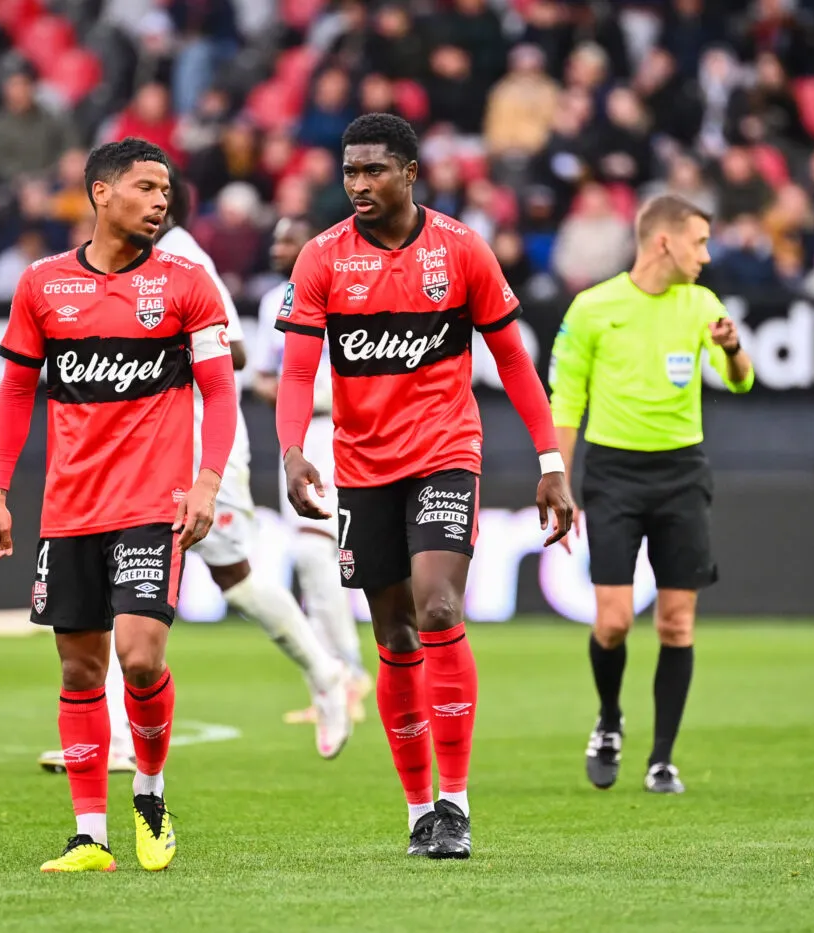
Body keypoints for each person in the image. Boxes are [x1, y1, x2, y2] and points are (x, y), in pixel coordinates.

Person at [275, 113, 575, 859]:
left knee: (438, 605)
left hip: (446, 451)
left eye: (374, 170)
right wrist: (291, 452)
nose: (358, 184)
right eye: (349, 172)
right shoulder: (320, 260)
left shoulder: (461, 250)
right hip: (361, 466)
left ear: (411, 172)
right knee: (394, 634)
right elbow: (295, 371)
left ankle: (457, 802)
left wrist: (550, 462)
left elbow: (512, 361)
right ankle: (418, 808)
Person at [0, 138, 238, 873]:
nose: (162, 200)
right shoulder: (41, 285)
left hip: (152, 505)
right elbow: (15, 393)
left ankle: (149, 792)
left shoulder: (188, 284)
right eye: (147, 186)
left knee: (140, 654)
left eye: (167, 190)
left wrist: (207, 481)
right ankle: (89, 835)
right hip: (68, 510)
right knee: (79, 672)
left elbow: (218, 395)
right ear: (100, 193)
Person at [41, 167, 353, 771]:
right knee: (115, 589)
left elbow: (230, 349)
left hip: (198, 448)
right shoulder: (117, 263)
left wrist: (148, 347)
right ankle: (120, 742)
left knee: (234, 576)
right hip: (141, 449)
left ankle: (326, 670)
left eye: (156, 195)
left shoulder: (182, 259)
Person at [548, 194, 754, 796]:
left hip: (682, 473)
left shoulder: (701, 304)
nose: (706, 255)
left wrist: (734, 347)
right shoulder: (593, 308)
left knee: (676, 622)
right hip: (613, 475)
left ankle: (662, 758)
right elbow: (567, 400)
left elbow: (741, 383)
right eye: (699, 242)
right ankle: (609, 720)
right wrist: (558, 480)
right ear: (664, 242)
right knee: (612, 622)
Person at [251, 215, 374, 726]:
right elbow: (261, 376)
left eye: (289, 240)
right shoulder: (268, 303)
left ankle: (344, 674)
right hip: (301, 436)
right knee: (312, 556)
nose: (279, 247)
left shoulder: (348, 286)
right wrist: (290, 394)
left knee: (320, 554)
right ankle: (338, 678)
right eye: (276, 238)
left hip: (347, 431)